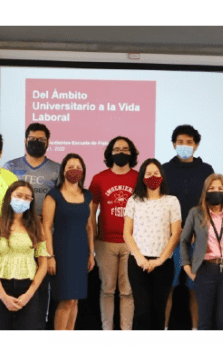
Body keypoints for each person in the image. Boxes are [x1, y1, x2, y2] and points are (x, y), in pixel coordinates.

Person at [2, 123, 59, 329]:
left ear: (48, 143)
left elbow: (61, 201)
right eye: (32, 139)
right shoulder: (9, 166)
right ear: (25, 141)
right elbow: (5, 199)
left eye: (41, 140)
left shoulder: (56, 169)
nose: (36, 142)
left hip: (44, 234)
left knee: (41, 282)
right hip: (14, 234)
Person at [162, 124, 214, 330]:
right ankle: (163, 329)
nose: (185, 146)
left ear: (196, 145)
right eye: (181, 142)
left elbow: (209, 203)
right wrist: (174, 230)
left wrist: (195, 231)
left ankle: (196, 330)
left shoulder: (206, 170)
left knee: (196, 289)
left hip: (197, 239)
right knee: (169, 288)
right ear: (174, 144)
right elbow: (160, 202)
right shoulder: (164, 169)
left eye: (189, 142)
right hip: (170, 239)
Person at [123, 158, 182, 330]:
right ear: (142, 177)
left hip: (163, 264)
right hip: (138, 263)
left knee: (159, 309)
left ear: (162, 176)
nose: (152, 176)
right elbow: (127, 233)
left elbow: (176, 233)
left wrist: (160, 260)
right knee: (142, 309)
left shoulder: (172, 201)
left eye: (156, 173)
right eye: (148, 173)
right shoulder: (133, 200)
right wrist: (140, 258)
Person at [88, 136, 139, 330]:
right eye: (117, 149)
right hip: (105, 242)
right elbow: (91, 212)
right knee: (107, 290)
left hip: (131, 242)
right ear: (110, 153)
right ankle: (107, 330)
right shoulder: (99, 178)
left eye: (125, 149)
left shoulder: (138, 178)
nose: (121, 152)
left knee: (127, 291)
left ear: (132, 153)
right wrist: (93, 239)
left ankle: (126, 331)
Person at [180, 174, 223, 330]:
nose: (216, 191)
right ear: (205, 191)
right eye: (212, 188)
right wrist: (188, 268)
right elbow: (184, 241)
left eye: (220, 188)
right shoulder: (196, 213)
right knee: (205, 322)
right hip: (204, 271)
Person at [0, 181, 49, 330]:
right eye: (18, 195)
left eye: (27, 197)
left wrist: (29, 294)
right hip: (0, 287)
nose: (22, 200)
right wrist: (3, 296)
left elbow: (43, 264)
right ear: (9, 197)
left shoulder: (37, 226)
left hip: (28, 287)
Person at [42, 153, 95, 330]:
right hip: (62, 253)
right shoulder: (53, 195)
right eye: (70, 167)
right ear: (63, 170)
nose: (75, 171)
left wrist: (91, 254)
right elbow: (46, 227)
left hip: (80, 253)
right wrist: (50, 255)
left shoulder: (87, 196)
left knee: (75, 301)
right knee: (66, 300)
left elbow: (89, 226)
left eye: (78, 167)